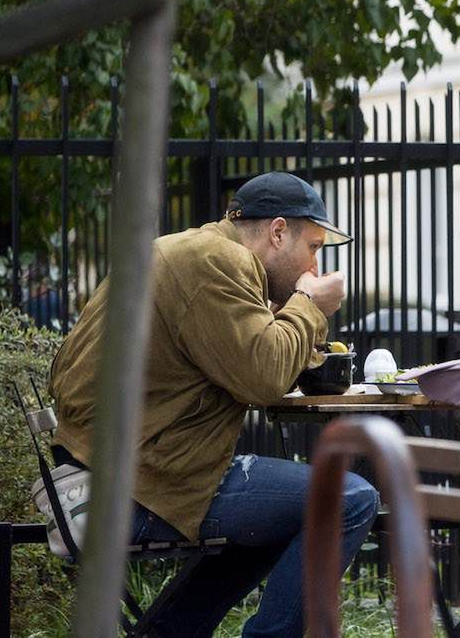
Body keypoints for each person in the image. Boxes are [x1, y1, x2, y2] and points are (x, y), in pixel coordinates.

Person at [48, 171, 379, 637]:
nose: (316, 267)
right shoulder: (217, 262)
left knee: (280, 511)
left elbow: (260, 362)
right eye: (314, 247)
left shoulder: (197, 252)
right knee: (349, 499)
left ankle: (169, 632)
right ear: (278, 231)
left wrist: (300, 315)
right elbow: (264, 379)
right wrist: (308, 302)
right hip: (128, 484)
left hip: (119, 467)